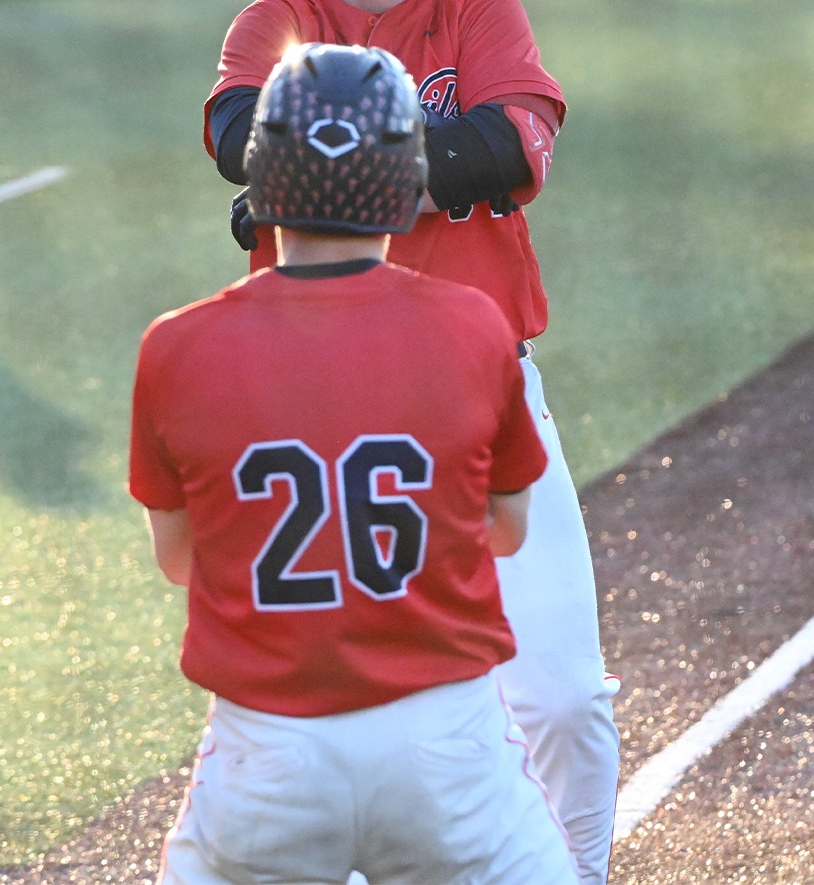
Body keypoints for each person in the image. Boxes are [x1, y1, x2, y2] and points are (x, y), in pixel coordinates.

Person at [201, 0, 619, 882]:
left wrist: (317, 165)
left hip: (481, 394)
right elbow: (232, 142)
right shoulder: (274, 20)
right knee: (332, 720)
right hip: (314, 405)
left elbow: (506, 153)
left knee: (563, 699)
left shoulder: (479, 9)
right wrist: (393, 161)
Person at [132, 44, 580, 884]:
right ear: (405, 173)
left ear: (262, 175)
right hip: (443, 746)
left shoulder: (177, 345)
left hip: (267, 753)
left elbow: (179, 558)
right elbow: (508, 529)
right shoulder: (472, 328)